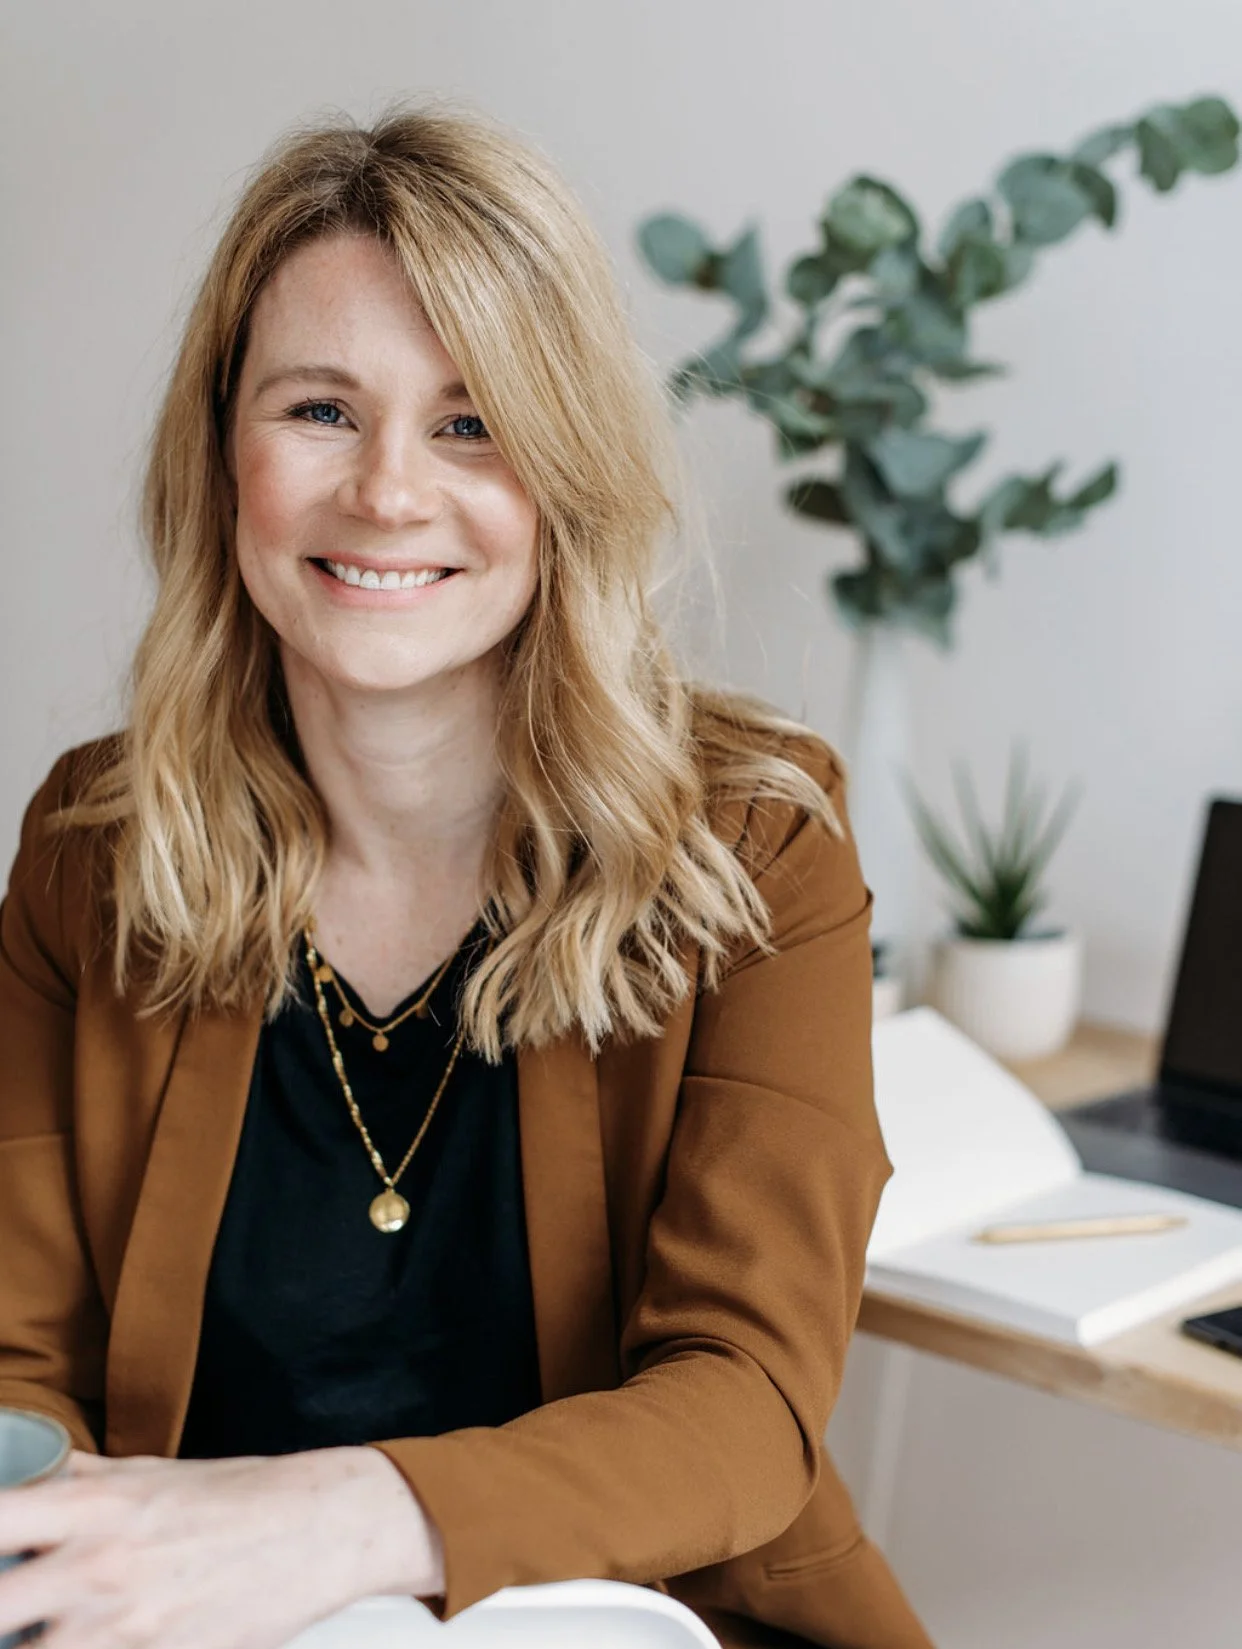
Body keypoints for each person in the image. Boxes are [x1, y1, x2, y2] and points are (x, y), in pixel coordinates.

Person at [0, 105, 933, 1649]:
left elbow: (744, 1403)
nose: (386, 492)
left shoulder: (757, 840)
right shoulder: (94, 849)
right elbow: (17, 1367)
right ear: (221, 446)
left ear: (564, 466)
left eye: (470, 420)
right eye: (318, 410)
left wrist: (312, 1529)